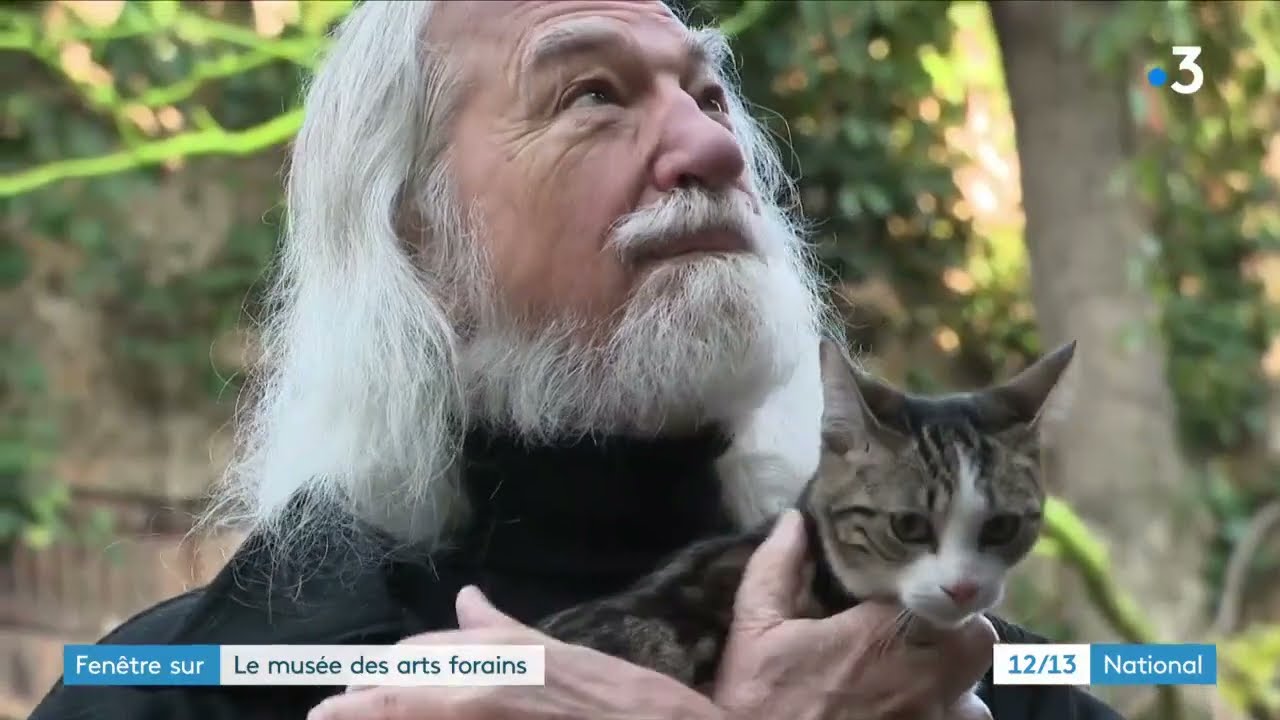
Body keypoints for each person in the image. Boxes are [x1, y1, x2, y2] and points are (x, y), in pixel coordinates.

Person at [29, 2, 1125, 719]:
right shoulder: (174, 699)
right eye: (592, 96)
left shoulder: (999, 688)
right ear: (414, 235)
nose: (714, 147)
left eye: (704, 96)